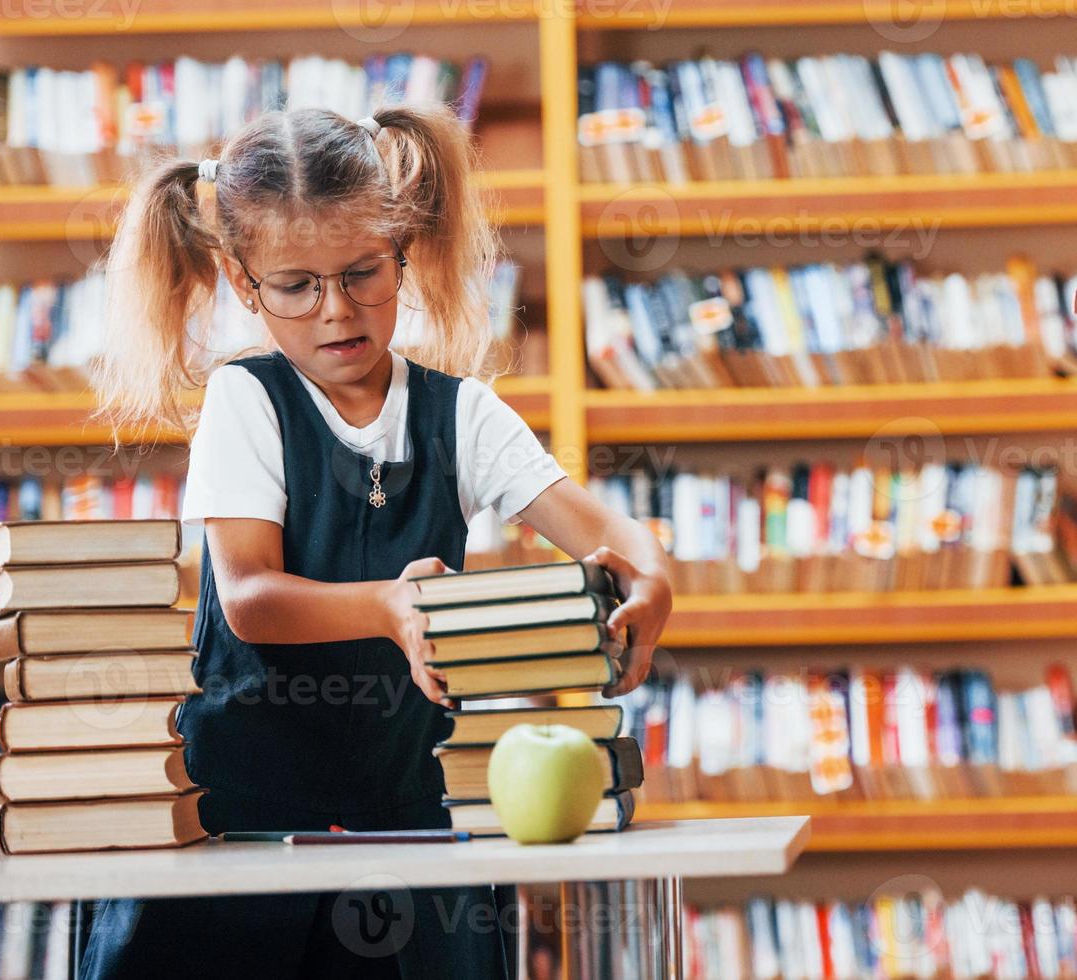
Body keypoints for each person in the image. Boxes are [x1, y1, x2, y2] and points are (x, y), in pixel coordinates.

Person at [83, 104, 672, 979]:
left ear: (402, 251)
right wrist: (394, 608)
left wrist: (653, 576)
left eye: (363, 273)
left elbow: (608, 534)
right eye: (296, 286)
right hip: (238, 825)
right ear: (244, 285)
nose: (337, 311)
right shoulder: (248, 401)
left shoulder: (461, 413)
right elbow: (248, 600)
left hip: (407, 823)